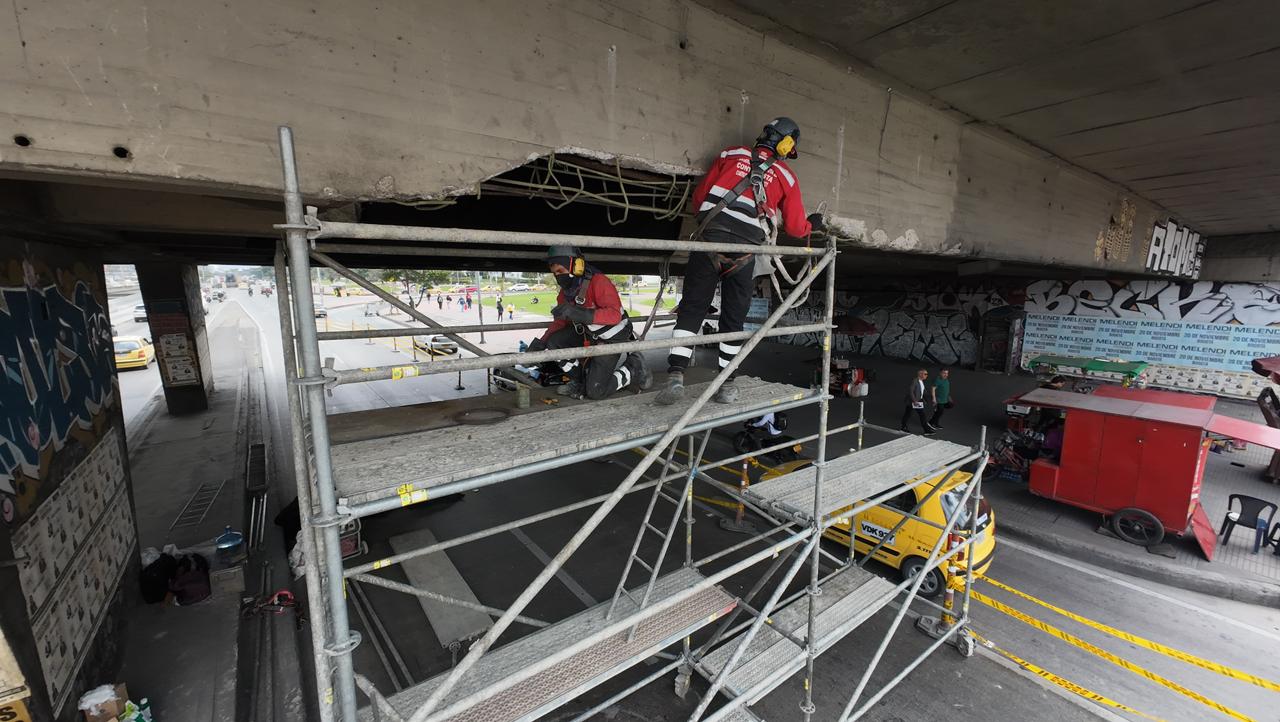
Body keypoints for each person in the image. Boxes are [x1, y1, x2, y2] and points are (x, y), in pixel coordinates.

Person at [657, 117, 822, 405]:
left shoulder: (731, 154)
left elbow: (700, 198)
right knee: (733, 318)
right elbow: (796, 228)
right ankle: (727, 384)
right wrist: (812, 226)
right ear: (786, 145)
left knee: (693, 308)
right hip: (744, 252)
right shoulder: (787, 176)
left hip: (710, 240)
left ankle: (675, 376)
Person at [525, 246, 652, 399]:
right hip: (589, 334)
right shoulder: (564, 294)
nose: (557, 277)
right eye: (554, 273)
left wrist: (578, 313)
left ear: (576, 266)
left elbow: (614, 316)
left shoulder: (599, 282)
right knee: (555, 342)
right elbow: (560, 322)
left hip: (612, 338)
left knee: (595, 392)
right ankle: (579, 381)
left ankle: (633, 368)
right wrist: (540, 343)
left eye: (560, 271)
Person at [900, 369, 936, 435]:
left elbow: (923, 391)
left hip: (917, 400)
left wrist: (931, 397)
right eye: (925, 374)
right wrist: (914, 400)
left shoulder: (921, 381)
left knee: (908, 414)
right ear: (920, 374)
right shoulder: (915, 381)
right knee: (921, 414)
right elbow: (911, 391)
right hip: (913, 401)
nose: (926, 375)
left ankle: (903, 427)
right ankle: (926, 430)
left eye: (927, 374)